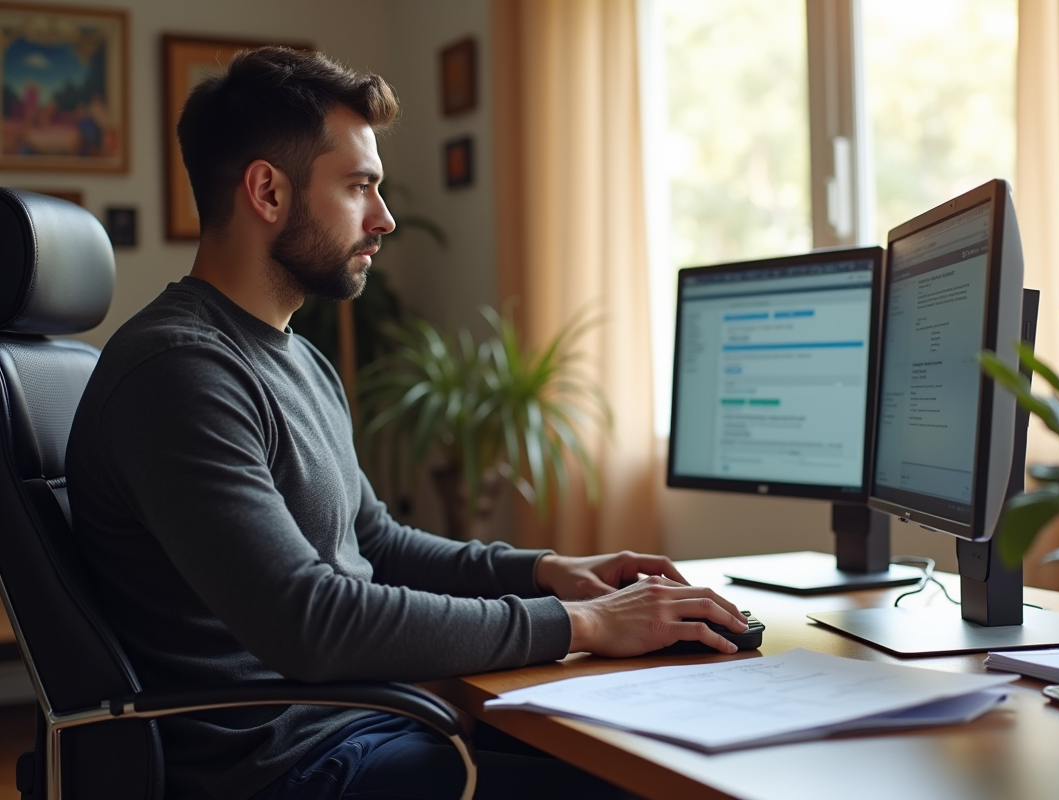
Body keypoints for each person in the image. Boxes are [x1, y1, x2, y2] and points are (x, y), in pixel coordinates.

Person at [66, 46, 747, 800]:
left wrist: (548, 571)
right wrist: (581, 624)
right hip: (285, 769)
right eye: (359, 186)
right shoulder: (178, 372)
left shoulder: (295, 359)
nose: (385, 218)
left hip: (358, 726)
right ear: (267, 191)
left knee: (651, 751)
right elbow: (311, 620)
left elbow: (375, 544)